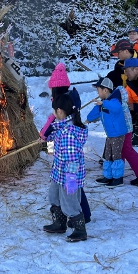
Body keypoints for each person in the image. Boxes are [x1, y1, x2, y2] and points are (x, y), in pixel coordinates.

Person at [39, 62, 92, 223]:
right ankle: (79, 215)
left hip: (69, 171)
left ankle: (80, 218)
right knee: (71, 191)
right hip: (65, 167)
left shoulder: (63, 105)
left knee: (71, 191)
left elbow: (52, 121)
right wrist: (47, 137)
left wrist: (44, 134)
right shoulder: (69, 101)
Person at [42, 93, 89, 242]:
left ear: (60, 111)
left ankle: (80, 229)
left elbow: (73, 159)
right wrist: (46, 137)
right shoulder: (63, 127)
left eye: (54, 111)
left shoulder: (69, 133)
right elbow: (55, 133)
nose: (53, 114)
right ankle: (60, 223)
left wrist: (70, 182)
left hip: (69, 175)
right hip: (58, 172)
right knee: (54, 196)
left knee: (70, 202)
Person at [86, 77, 127, 188]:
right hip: (110, 134)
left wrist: (103, 103)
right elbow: (93, 115)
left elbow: (117, 108)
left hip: (118, 133)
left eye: (98, 90)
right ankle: (108, 176)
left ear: (105, 90)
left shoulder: (114, 101)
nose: (97, 93)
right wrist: (88, 119)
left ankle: (118, 178)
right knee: (108, 155)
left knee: (116, 156)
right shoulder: (103, 104)